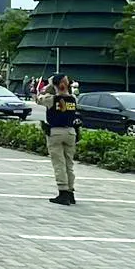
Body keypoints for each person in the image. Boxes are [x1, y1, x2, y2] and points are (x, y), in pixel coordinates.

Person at [36, 73, 79, 205]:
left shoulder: (51, 99)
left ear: (54, 85)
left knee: (59, 163)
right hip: (71, 132)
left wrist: (49, 85)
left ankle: (63, 192)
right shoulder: (73, 98)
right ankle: (71, 192)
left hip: (55, 132)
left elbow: (39, 98)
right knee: (69, 164)